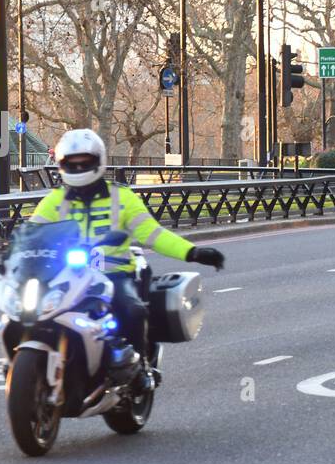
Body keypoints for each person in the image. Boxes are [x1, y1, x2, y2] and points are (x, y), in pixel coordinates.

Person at [27, 129, 225, 383]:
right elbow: (31, 234)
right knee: (32, 312)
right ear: (61, 165)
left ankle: (139, 369)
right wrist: (11, 252)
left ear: (98, 161)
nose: (78, 168)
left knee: (131, 310)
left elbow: (153, 234)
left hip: (115, 273)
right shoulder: (54, 201)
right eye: (71, 164)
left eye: (84, 163)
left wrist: (192, 252)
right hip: (66, 276)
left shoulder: (121, 197)